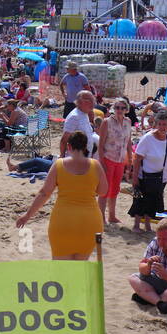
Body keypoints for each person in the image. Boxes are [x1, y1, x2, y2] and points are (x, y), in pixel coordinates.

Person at [15, 130, 104, 260]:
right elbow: (103, 191)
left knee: (61, 270)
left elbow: (44, 193)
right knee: (80, 268)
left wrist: (27, 215)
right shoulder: (95, 165)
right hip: (89, 221)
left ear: (69, 146)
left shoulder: (59, 165)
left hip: (63, 221)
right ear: (85, 147)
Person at [129, 110, 167, 232]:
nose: (162, 127)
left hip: (163, 177)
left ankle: (147, 225)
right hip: (146, 175)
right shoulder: (147, 139)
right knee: (140, 200)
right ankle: (136, 225)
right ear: (156, 124)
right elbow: (137, 159)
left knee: (153, 201)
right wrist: (134, 177)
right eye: (160, 124)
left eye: (165, 124)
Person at [60, 90, 99, 157]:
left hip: (84, 158)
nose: (93, 103)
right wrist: (62, 157)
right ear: (79, 101)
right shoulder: (74, 117)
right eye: (89, 100)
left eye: (93, 100)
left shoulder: (84, 113)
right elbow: (64, 140)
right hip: (74, 160)